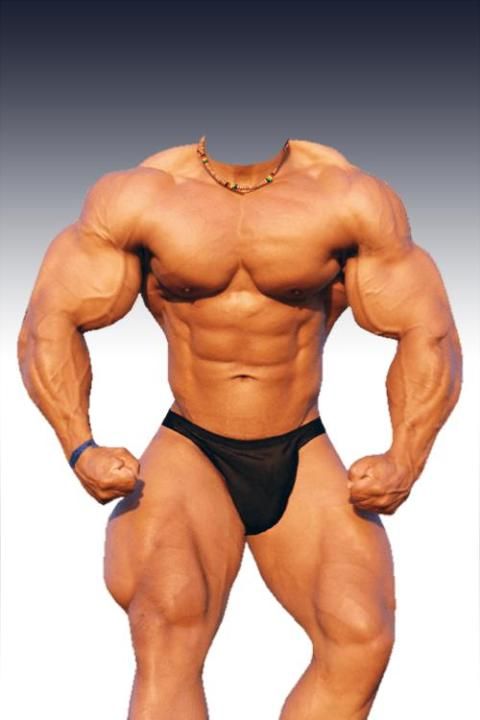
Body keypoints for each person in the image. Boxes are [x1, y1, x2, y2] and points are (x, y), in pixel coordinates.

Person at [17, 134, 463, 719]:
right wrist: (80, 447)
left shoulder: (348, 198)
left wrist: (406, 456)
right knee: (169, 619)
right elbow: (49, 321)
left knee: (360, 633)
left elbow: (429, 332)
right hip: (191, 448)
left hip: (300, 447)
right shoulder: (141, 196)